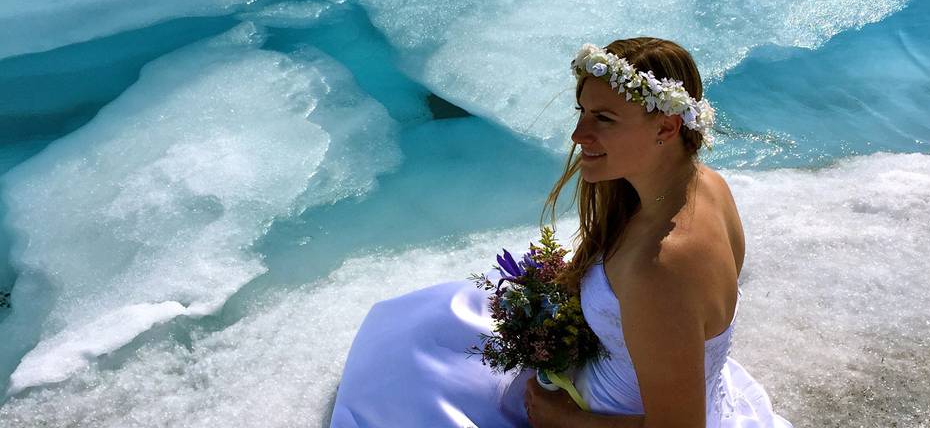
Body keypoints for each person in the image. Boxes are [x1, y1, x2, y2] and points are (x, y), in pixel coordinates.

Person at [331, 37, 793, 428]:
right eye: (582, 111)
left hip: (607, 414)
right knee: (426, 326)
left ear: (667, 127)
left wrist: (567, 420)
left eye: (604, 119)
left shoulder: (661, 268)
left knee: (405, 383)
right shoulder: (707, 185)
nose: (578, 134)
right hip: (625, 378)